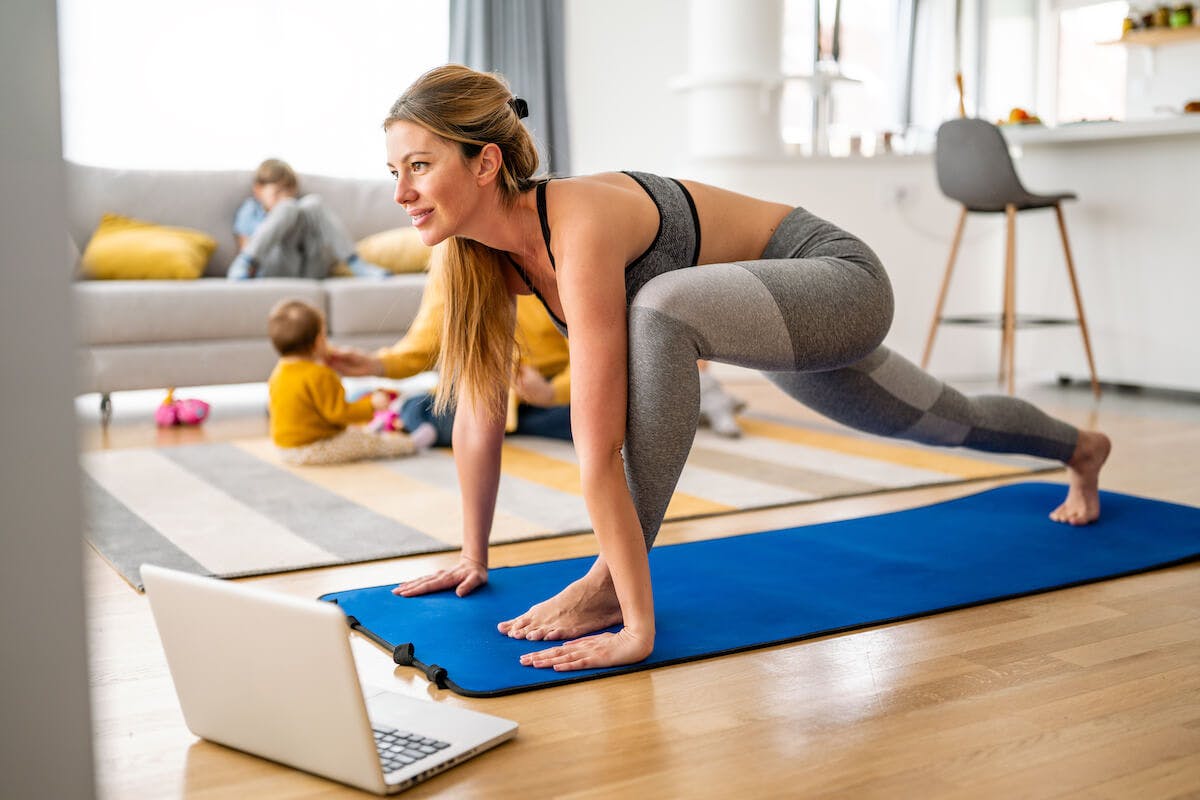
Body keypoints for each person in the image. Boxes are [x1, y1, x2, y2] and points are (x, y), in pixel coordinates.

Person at [381, 65, 1111, 671]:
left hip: (833, 279)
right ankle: (1080, 449)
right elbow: (478, 411)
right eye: (393, 170)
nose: (401, 192)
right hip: (764, 323)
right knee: (939, 418)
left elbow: (599, 444)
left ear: (485, 162)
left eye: (420, 166)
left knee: (660, 307)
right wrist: (472, 557)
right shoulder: (472, 262)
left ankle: (611, 587)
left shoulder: (578, 222)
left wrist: (632, 622)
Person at [325, 258, 574, 446]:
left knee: (595, 417)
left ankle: (510, 422)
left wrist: (552, 392)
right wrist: (375, 364)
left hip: (550, 388)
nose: (401, 196)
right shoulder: (450, 255)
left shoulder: (546, 255)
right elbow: (424, 343)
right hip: (485, 392)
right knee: (421, 407)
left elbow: (590, 356)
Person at [267, 299, 430, 465]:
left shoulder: (279, 372)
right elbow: (339, 413)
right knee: (365, 443)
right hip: (313, 447)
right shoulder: (320, 374)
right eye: (324, 336)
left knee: (353, 433)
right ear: (318, 342)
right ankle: (410, 444)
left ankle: (375, 429)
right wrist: (371, 405)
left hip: (286, 449)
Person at [228, 158, 390, 280]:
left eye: (288, 192)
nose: (284, 197)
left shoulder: (301, 208)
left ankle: (356, 264)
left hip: (309, 268)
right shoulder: (251, 210)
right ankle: (245, 261)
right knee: (287, 207)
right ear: (258, 191)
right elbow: (244, 244)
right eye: (277, 193)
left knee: (313, 203)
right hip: (271, 267)